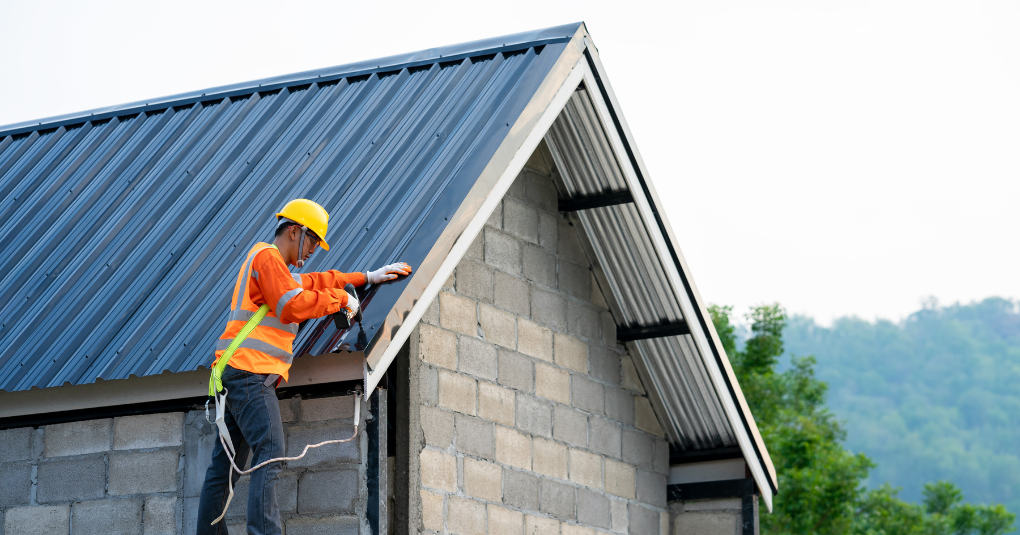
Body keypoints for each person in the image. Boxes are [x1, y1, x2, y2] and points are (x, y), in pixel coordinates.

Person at [196, 199, 412, 535]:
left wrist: (367, 277)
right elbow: (290, 305)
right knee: (270, 450)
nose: (313, 249)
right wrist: (340, 301)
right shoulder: (266, 257)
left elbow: (318, 280)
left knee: (224, 467)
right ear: (295, 231)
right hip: (250, 375)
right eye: (312, 241)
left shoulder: (278, 270)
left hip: (236, 374)